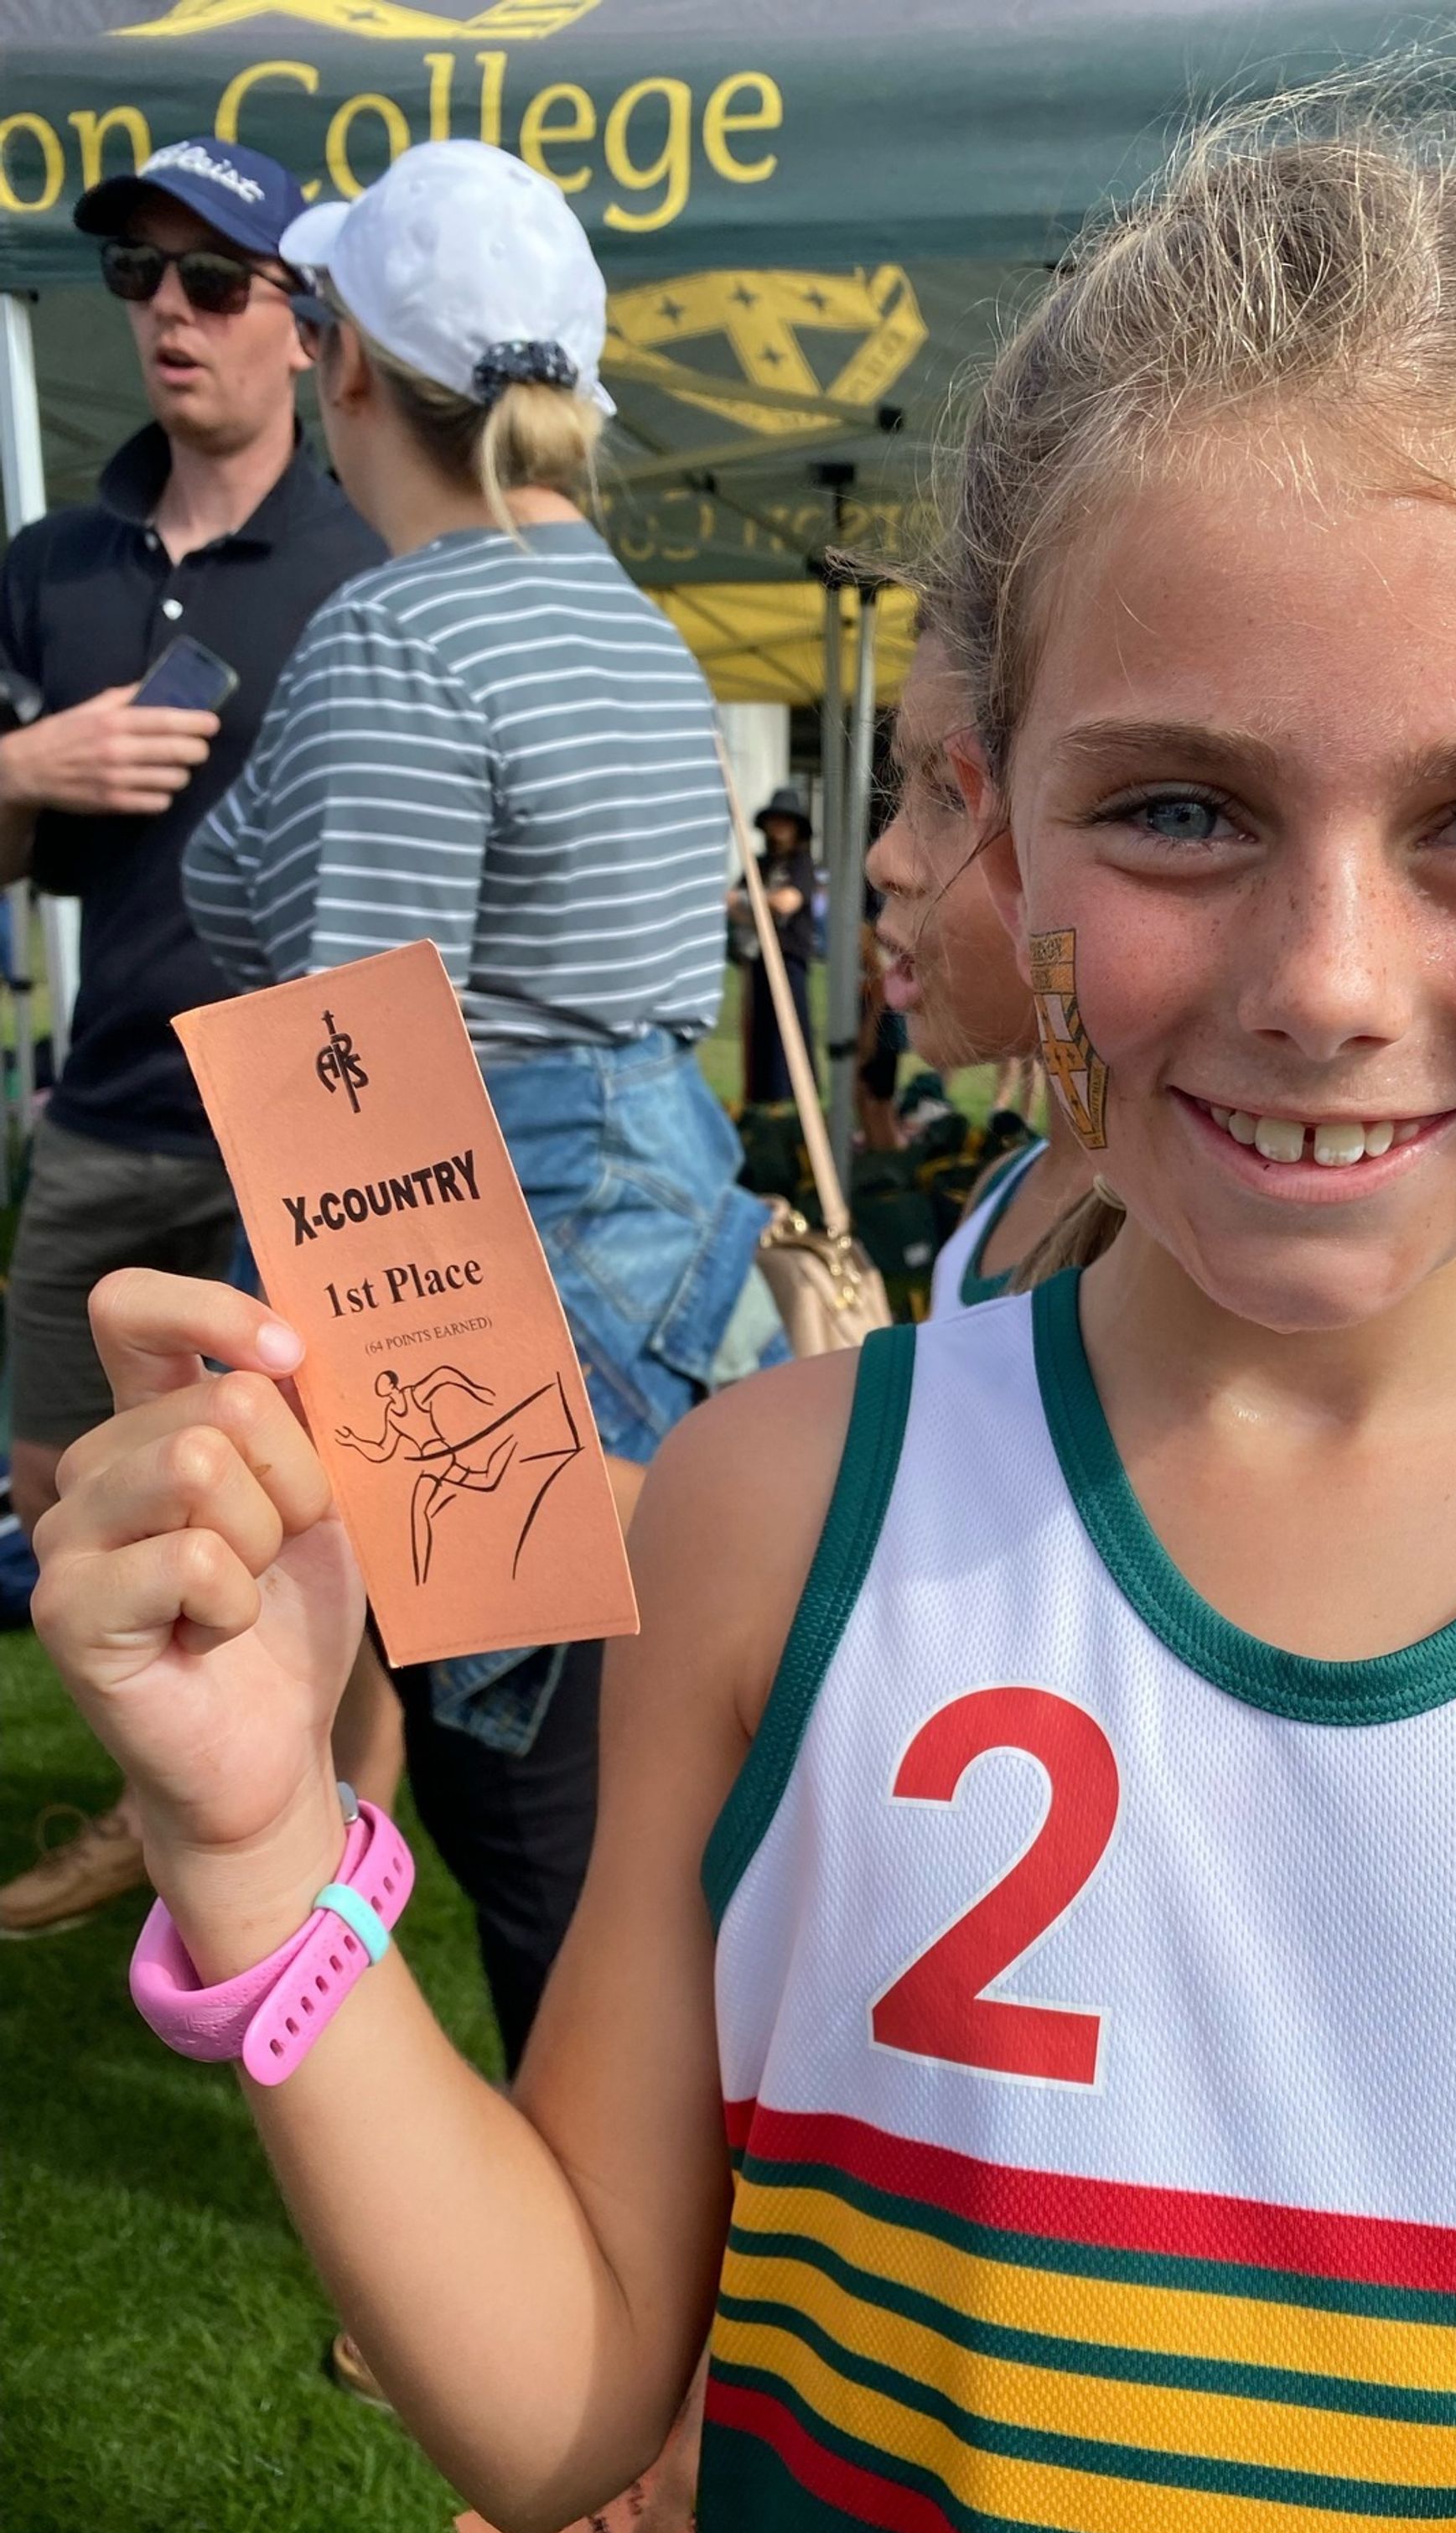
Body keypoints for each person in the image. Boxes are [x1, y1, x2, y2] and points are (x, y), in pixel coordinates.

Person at [34, 73, 1456, 2533]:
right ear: (994, 822)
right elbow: (561, 2391)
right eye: (1181, 805)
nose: (1325, 979)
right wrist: (262, 1844)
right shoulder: (770, 1478)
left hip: (518, 1263)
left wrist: (437, 1453)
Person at [180, 138, 775, 2082]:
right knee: (646, 1807)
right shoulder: (628, 623)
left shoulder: (400, 638)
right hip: (661, 1240)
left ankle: (583, 2225)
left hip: (487, 1257)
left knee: (535, 1820)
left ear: (342, 363)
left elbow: (353, 1078)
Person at [0, 138, 385, 1936]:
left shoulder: (370, 560)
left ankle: (334, 1844)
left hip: (306, 1120)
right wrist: (30, 766)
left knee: (325, 1518)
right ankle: (163, 1813)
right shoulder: (54, 562)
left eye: (214, 279)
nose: (169, 310)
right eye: (136, 275)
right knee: (63, 1490)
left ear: (303, 328)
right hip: (109, 1101)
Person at [868, 631, 1096, 1311]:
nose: (883, 859)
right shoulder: (999, 1192)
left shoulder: (1177, 1274)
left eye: (951, 795)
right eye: (902, 792)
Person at [727, 786, 818, 1106]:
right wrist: (759, 905)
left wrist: (752, 901)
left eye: (786, 821)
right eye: (775, 820)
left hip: (788, 957)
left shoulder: (801, 864)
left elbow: (787, 902)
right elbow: (730, 903)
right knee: (759, 1032)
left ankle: (789, 1100)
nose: (779, 826)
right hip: (758, 958)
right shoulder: (759, 864)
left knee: (788, 1031)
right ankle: (760, 1100)